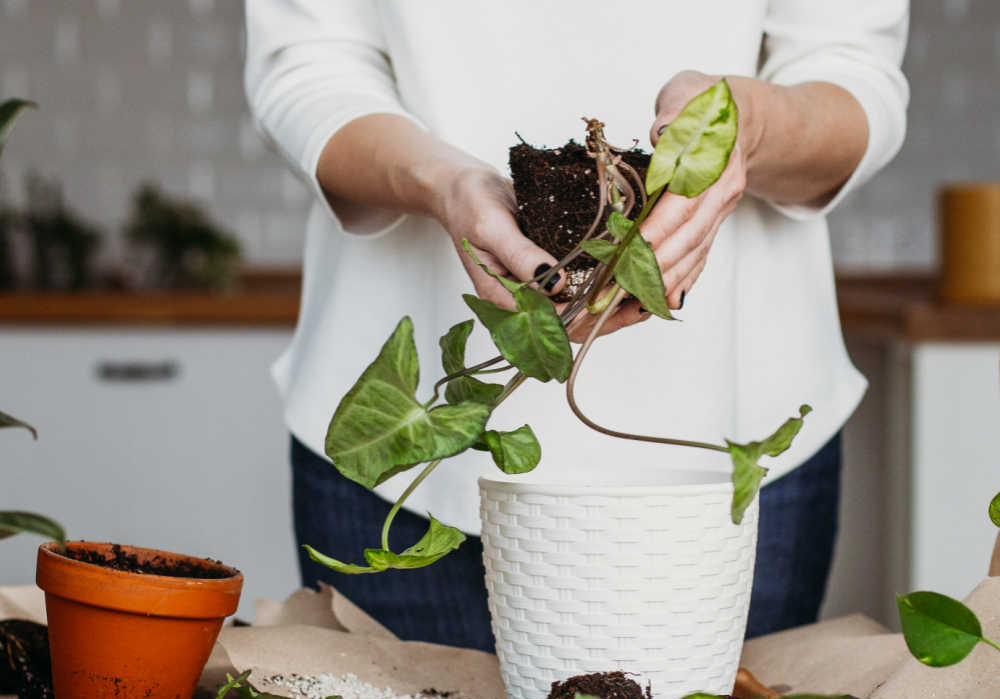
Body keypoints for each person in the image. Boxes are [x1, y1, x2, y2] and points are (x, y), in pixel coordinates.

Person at [244, 1, 909, 651]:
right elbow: (308, 62)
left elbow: (852, 70)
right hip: (412, 471)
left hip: (738, 421)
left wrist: (750, 127)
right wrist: (442, 183)